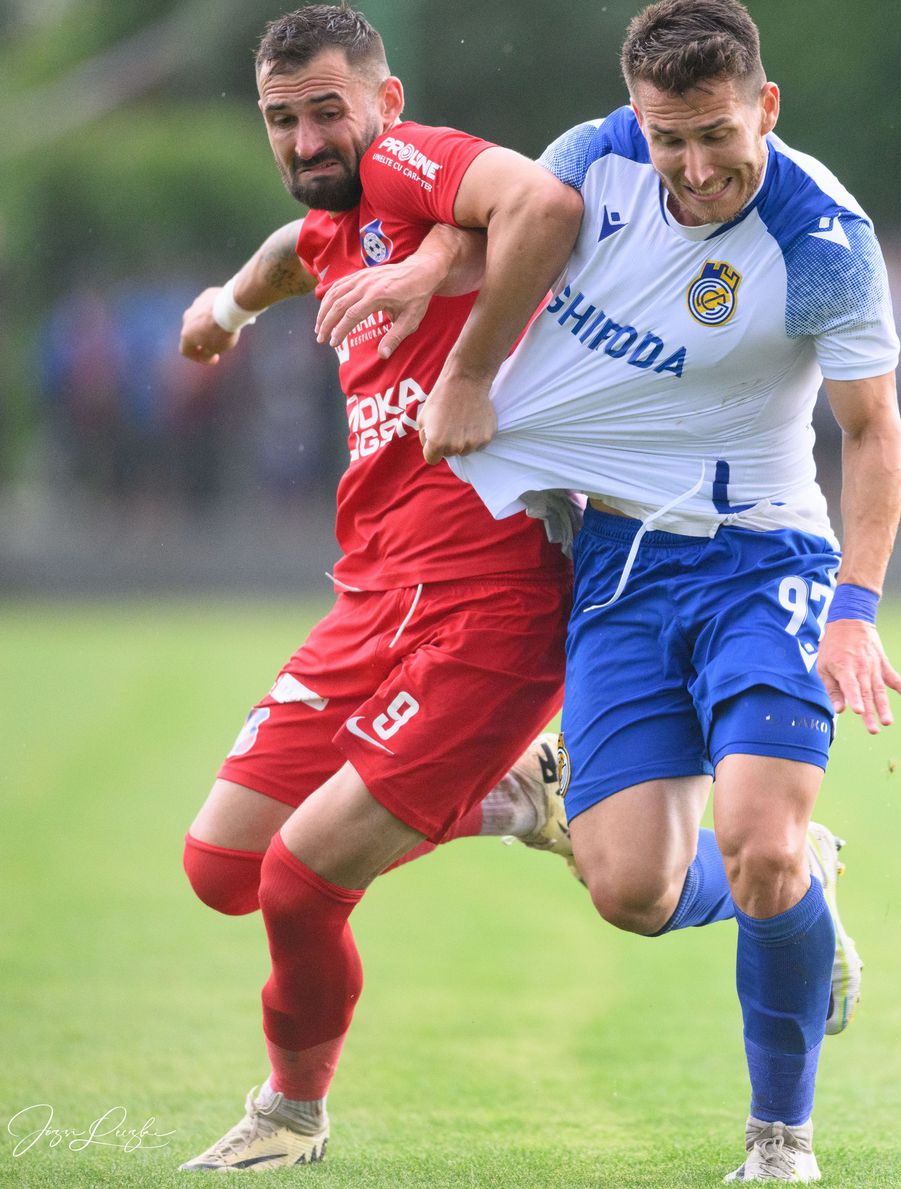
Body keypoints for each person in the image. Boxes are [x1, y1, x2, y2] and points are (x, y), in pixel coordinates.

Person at [417, 1, 901, 1180]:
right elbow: (485, 231)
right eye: (668, 138)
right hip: (624, 563)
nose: (693, 170)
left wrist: (856, 607)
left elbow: (875, 431)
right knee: (634, 891)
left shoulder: (825, 238)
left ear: (767, 107)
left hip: (766, 563)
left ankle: (779, 1141)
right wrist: (428, 284)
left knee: (756, 841)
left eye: (717, 137)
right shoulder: (591, 160)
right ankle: (810, 877)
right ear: (633, 116)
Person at [174, 4, 585, 1171]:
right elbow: (283, 253)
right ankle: (512, 796)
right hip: (373, 600)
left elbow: (543, 208)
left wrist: (454, 346)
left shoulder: (413, 162)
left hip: (488, 606)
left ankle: (288, 1117)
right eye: (280, 119)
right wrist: (226, 310)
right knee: (223, 869)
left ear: (386, 102)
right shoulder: (336, 228)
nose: (305, 140)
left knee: (302, 884)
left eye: (326, 111)